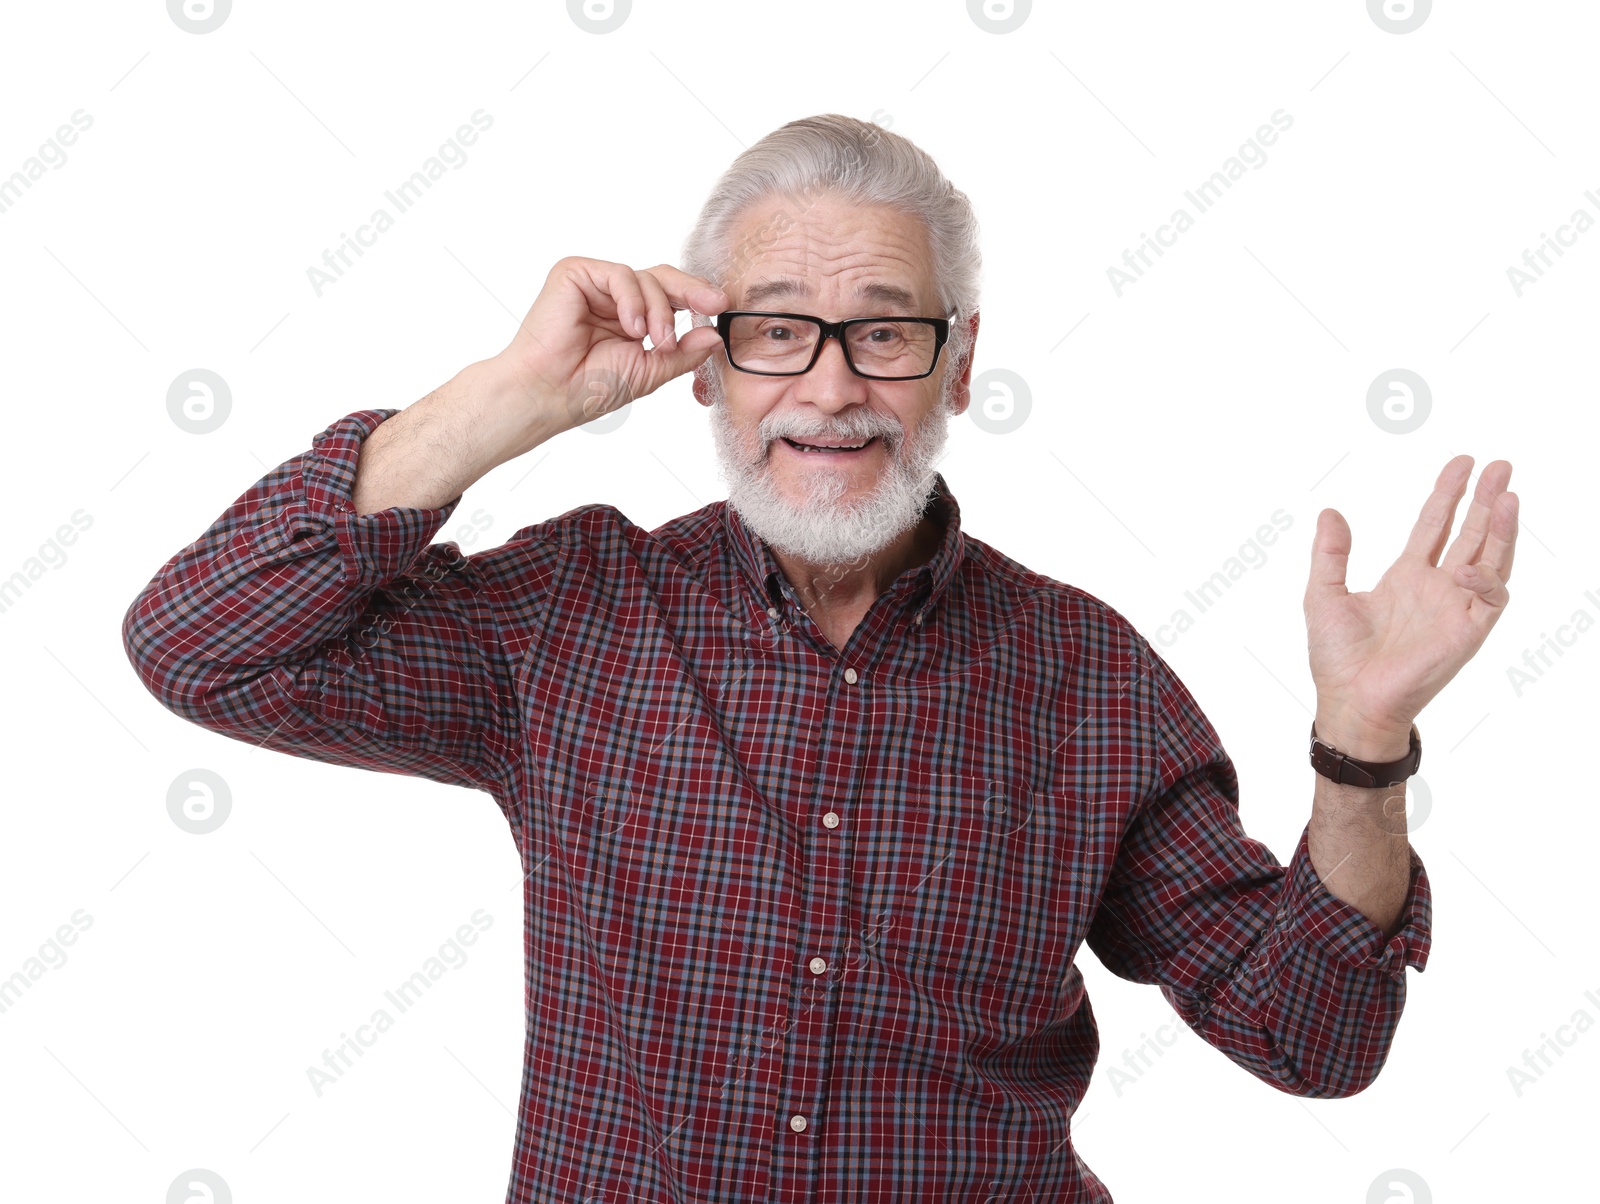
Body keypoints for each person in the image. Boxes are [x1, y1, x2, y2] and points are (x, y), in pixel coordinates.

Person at [122, 114, 1519, 1202]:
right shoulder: (571, 613)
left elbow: (1315, 1041)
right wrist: (502, 403)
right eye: (779, 330)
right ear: (712, 363)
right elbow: (199, 647)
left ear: (960, 365)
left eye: (887, 333)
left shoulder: (1084, 677)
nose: (834, 388)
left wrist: (1364, 747)